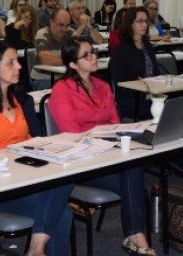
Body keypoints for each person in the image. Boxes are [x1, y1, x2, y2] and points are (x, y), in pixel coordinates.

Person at [0, 40, 73, 256]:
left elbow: (40, 142)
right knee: (63, 213)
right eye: (10, 63)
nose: (19, 67)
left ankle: (35, 248)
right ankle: (36, 249)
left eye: (18, 62)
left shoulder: (25, 101)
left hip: (29, 177)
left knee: (65, 175)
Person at [50, 37, 155, 256]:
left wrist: (113, 139)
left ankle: (136, 237)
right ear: (72, 64)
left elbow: (115, 124)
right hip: (81, 162)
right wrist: (102, 138)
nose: (93, 57)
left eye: (93, 52)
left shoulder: (103, 85)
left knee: (132, 168)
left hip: (108, 155)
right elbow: (72, 135)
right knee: (134, 179)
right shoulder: (62, 90)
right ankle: (136, 237)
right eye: (86, 55)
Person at [109, 7, 159, 120]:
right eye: (139, 21)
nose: (144, 24)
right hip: (132, 100)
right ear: (130, 23)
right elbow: (120, 83)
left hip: (152, 95)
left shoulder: (148, 47)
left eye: (146, 21)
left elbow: (156, 74)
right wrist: (144, 94)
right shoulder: (121, 50)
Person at [33, 9, 71, 89]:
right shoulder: (42, 34)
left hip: (64, 77)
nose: (64, 29)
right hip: (43, 79)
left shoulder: (70, 33)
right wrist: (71, 60)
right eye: (61, 25)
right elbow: (46, 59)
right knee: (68, 89)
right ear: (52, 22)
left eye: (67, 25)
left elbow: (80, 53)